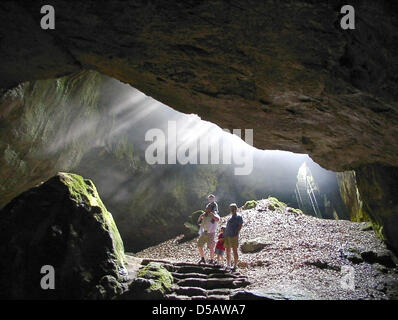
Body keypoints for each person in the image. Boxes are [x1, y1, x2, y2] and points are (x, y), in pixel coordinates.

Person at [197, 194, 220, 264]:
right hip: (204, 232)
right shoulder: (205, 214)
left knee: (211, 247)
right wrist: (201, 216)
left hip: (211, 232)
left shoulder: (214, 210)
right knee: (199, 245)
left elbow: (218, 219)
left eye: (208, 208)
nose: (207, 209)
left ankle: (212, 260)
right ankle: (202, 258)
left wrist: (212, 215)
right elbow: (198, 222)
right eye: (206, 208)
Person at [224, 203, 243, 270]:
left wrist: (236, 233)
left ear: (236, 209)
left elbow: (240, 225)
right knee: (227, 250)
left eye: (233, 208)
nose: (232, 210)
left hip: (234, 235)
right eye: (231, 209)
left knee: (234, 250)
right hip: (227, 235)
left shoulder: (239, 217)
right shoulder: (229, 217)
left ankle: (235, 265)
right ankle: (228, 264)